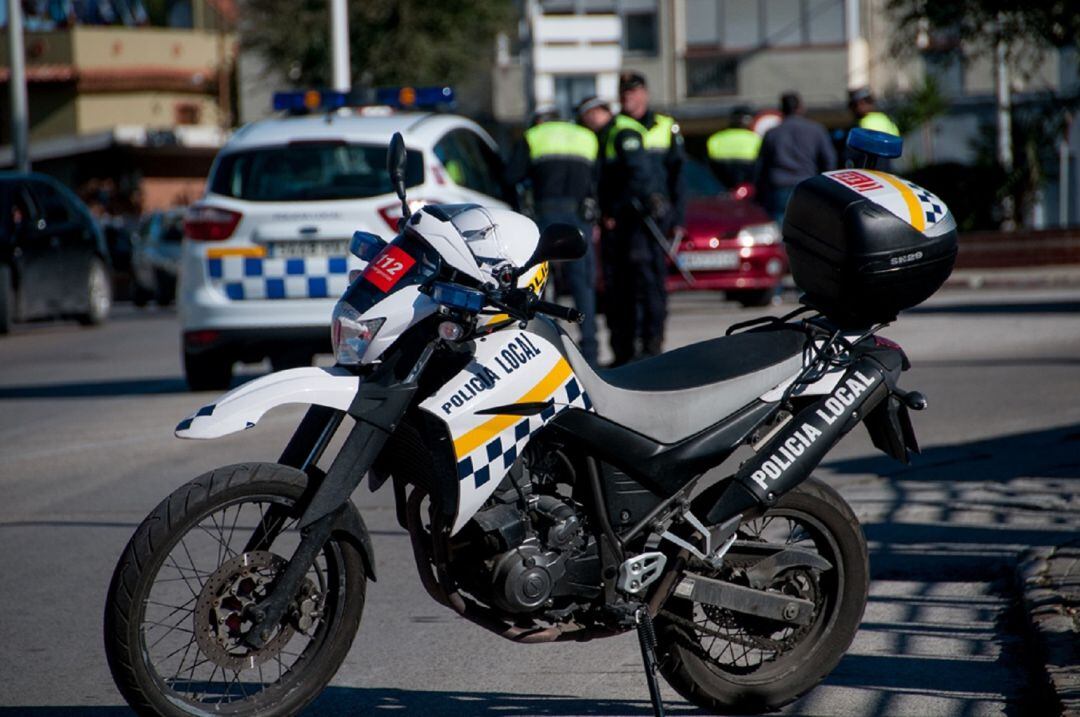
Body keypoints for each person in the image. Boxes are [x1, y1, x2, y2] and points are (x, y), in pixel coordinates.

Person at [505, 105, 601, 364]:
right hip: (580, 217)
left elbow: (511, 176)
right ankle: (590, 350)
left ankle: (541, 347)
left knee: (539, 281)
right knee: (583, 285)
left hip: (545, 216)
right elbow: (598, 180)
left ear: (538, 121)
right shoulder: (587, 137)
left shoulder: (534, 136)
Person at [578, 95, 668, 367]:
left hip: (633, 226)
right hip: (620, 226)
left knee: (642, 286)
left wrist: (616, 211)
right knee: (620, 291)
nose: (585, 122)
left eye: (587, 116)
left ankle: (649, 349)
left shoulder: (623, 132)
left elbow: (638, 176)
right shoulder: (606, 136)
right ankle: (625, 351)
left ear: (597, 113)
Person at [754, 91, 837, 224]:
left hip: (779, 187)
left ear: (781, 109)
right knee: (808, 225)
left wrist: (760, 192)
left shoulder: (772, 133)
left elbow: (761, 166)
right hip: (806, 185)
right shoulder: (816, 130)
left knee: (781, 225)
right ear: (800, 108)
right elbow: (829, 160)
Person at [706, 106, 762, 189]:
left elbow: (708, 167)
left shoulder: (715, 138)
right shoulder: (756, 139)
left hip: (720, 186)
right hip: (748, 187)